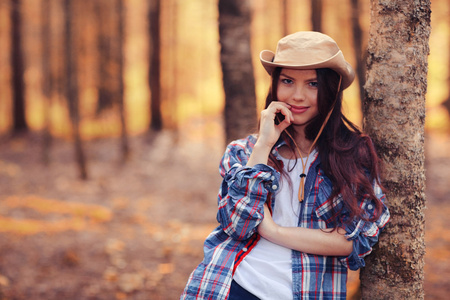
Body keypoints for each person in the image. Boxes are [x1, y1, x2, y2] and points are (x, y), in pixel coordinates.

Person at [180, 31, 390, 300]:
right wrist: (264, 144)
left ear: (331, 89)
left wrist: (272, 230)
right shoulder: (244, 151)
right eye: (287, 81)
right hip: (233, 287)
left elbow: (352, 239)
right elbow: (239, 226)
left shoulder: (352, 154)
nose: (298, 96)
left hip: (306, 292)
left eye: (312, 84)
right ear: (275, 85)